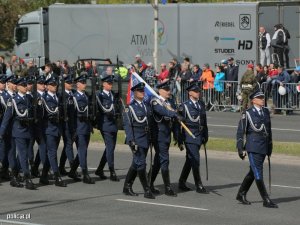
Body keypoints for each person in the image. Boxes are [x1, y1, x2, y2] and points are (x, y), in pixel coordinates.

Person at [236, 90, 278, 208]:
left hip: (263, 146)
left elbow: (268, 131)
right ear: (253, 100)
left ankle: (241, 193)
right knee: (258, 172)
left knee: (253, 172)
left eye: (263, 97)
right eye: (259, 98)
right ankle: (266, 199)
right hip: (253, 147)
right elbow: (240, 131)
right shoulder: (247, 113)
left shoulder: (265, 112)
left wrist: (270, 146)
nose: (262, 99)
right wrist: (240, 148)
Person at [0, 77, 36, 190]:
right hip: (16, 131)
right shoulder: (13, 100)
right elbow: (6, 118)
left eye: (26, 85)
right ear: (19, 87)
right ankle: (27, 178)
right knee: (20, 155)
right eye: (23, 85)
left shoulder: (28, 99)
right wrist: (1, 133)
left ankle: (14, 177)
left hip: (27, 131)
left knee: (21, 155)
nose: (26, 87)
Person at [149, 81, 182, 197]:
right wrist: (174, 113)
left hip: (167, 135)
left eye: (169, 89)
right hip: (159, 136)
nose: (169, 92)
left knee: (158, 161)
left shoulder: (170, 102)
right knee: (164, 160)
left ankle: (149, 183)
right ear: (160, 91)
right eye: (167, 90)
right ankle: (168, 188)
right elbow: (162, 111)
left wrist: (177, 136)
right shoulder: (155, 101)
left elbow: (174, 121)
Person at [122, 82, 155, 199]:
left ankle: (127, 186)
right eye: (140, 91)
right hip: (136, 139)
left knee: (136, 163)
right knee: (141, 163)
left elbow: (150, 123)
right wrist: (131, 141)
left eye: (143, 91)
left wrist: (151, 138)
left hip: (146, 138)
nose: (142, 93)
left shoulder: (146, 106)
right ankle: (147, 190)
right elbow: (128, 126)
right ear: (135, 93)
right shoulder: (129, 108)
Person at [177, 81, 209, 193]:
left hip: (199, 135)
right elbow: (179, 124)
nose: (198, 93)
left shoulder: (201, 104)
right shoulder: (184, 106)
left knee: (190, 160)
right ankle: (198, 184)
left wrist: (205, 134)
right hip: (189, 135)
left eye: (198, 91)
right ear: (190, 93)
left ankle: (181, 181)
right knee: (195, 159)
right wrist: (179, 139)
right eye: (195, 91)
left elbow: (204, 121)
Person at [69, 74, 95, 184]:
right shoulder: (74, 97)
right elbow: (72, 116)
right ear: (77, 84)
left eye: (85, 83)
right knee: (83, 151)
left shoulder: (86, 96)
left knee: (82, 151)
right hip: (79, 128)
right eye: (82, 83)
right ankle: (85, 174)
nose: (84, 85)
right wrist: (74, 130)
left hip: (86, 127)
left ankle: (72, 171)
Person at [42, 76, 66, 187]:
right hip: (49, 129)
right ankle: (57, 177)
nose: (54, 87)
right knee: (52, 153)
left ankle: (43, 176)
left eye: (55, 85)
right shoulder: (44, 98)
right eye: (52, 85)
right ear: (47, 86)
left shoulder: (58, 97)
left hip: (57, 129)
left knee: (50, 153)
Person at [94, 75, 119, 181]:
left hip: (113, 124)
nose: (111, 85)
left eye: (111, 83)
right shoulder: (99, 95)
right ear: (103, 84)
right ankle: (112, 171)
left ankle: (99, 169)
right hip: (105, 124)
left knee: (111, 148)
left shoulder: (113, 94)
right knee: (110, 147)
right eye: (109, 83)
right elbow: (103, 109)